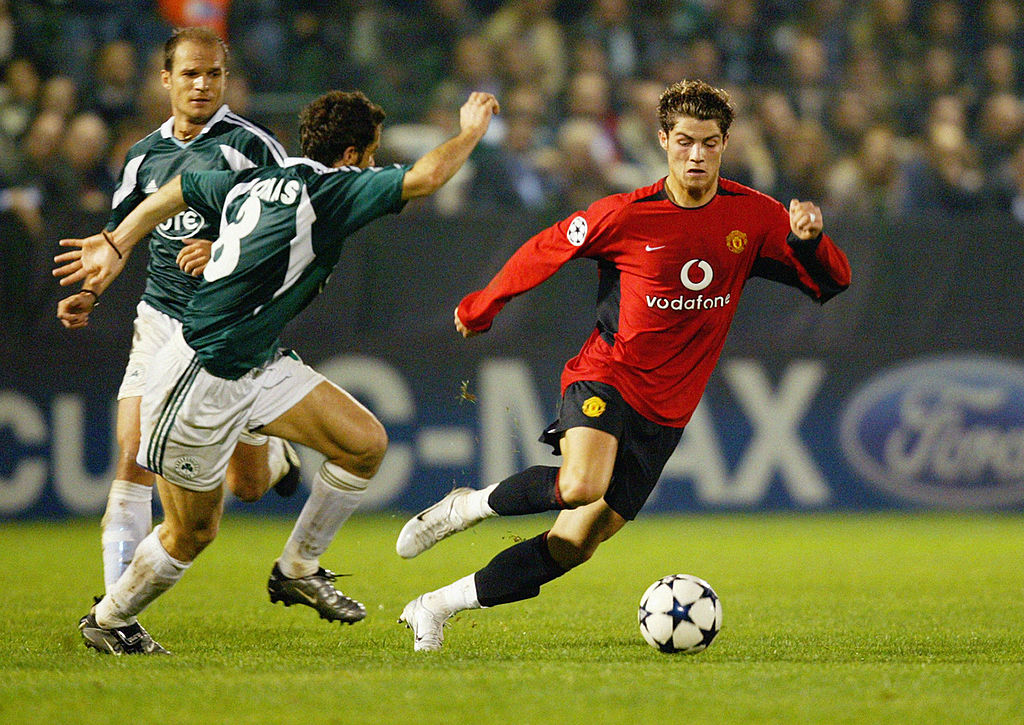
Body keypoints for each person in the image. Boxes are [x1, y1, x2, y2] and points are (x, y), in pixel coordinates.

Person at [394, 79, 851, 652]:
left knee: (576, 543)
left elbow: (832, 283)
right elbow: (546, 248)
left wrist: (811, 242)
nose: (696, 155)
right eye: (684, 141)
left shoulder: (753, 217)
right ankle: (466, 507)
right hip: (608, 374)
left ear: (725, 143)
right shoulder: (627, 215)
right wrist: (483, 304)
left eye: (709, 142)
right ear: (662, 140)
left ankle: (433, 607)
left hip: (669, 410)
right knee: (582, 484)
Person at [55, 88, 500, 654]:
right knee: (192, 532)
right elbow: (426, 178)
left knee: (363, 443)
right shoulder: (332, 188)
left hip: (256, 361)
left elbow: (183, 187)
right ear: (353, 155)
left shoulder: (263, 178)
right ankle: (110, 618)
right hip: (201, 372)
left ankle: (297, 567)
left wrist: (120, 239)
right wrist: (470, 131)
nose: (372, 164)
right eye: (370, 154)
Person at [53, 27, 297, 648]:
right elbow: (119, 236)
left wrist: (220, 246)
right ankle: (118, 620)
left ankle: (277, 455)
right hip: (160, 321)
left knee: (245, 484)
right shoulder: (140, 157)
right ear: (165, 80)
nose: (202, 85)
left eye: (213, 74)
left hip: (228, 332)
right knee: (131, 455)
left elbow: (292, 232)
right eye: (190, 74)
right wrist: (91, 290)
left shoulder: (252, 149)